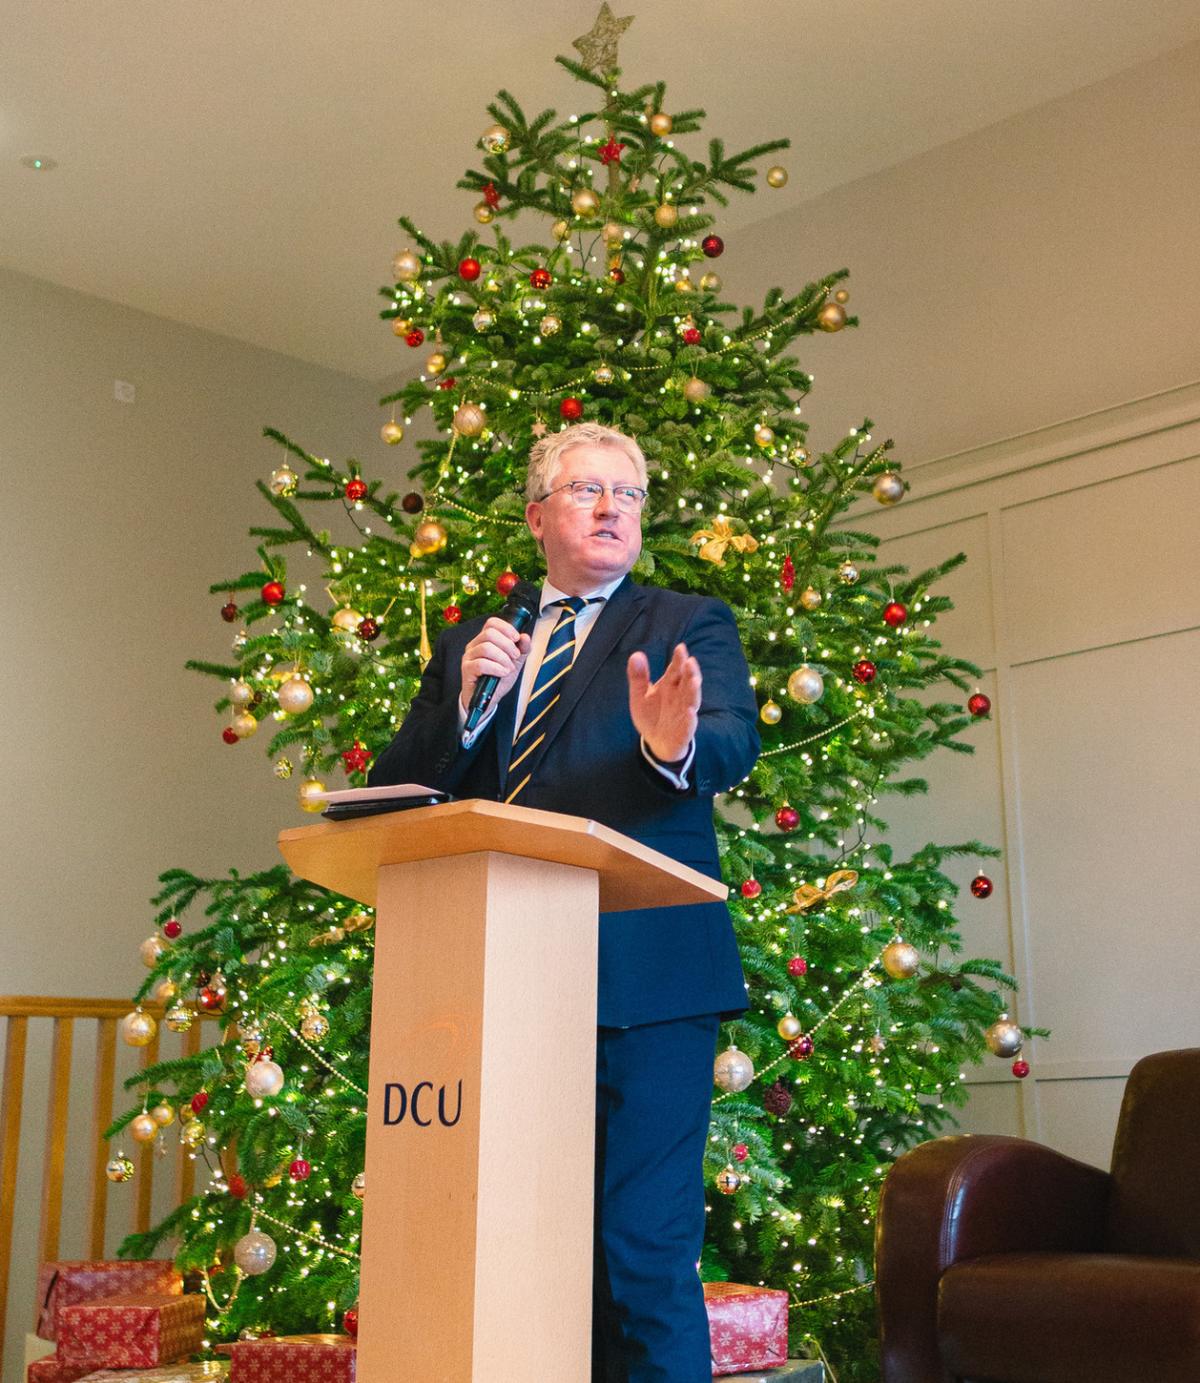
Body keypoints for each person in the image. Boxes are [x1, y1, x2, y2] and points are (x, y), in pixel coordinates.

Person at [369, 422, 760, 1382]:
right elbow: (395, 786)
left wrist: (671, 745)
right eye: (588, 490)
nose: (610, 509)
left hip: (648, 980)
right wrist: (463, 706)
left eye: (627, 495)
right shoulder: (478, 641)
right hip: (501, 988)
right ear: (539, 513)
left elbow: (730, 741)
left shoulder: (685, 620)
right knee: (525, 1248)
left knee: (641, 1248)